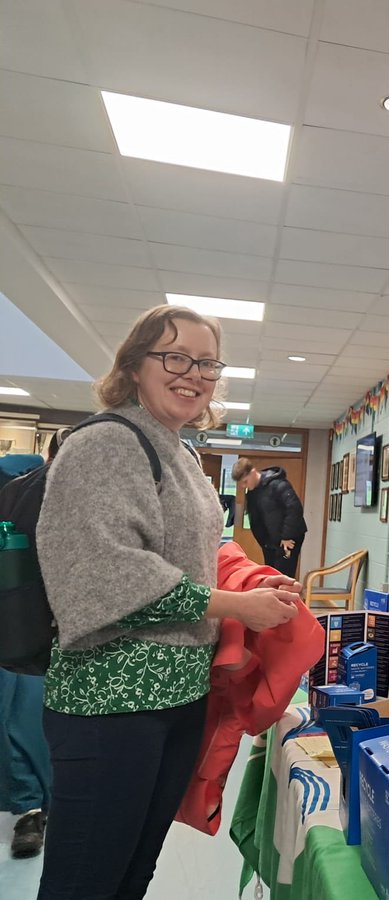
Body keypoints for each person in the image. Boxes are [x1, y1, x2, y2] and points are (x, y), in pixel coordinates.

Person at [35, 304, 300, 900]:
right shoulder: (106, 442)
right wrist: (234, 608)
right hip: (111, 706)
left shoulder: (180, 453)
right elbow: (105, 570)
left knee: (130, 875)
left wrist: (249, 582)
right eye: (175, 356)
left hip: (175, 700)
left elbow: (199, 552)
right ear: (134, 366)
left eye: (207, 363)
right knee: (84, 881)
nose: (194, 373)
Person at [0, 436, 67, 859]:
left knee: (28, 720)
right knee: (19, 720)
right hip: (22, 625)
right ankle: (30, 806)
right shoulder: (19, 485)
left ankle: (37, 804)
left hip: (57, 632)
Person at [232, 457, 307, 578]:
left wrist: (287, 536)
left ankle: (285, 597)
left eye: (245, 481)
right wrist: (264, 542)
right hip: (270, 542)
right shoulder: (252, 493)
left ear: (252, 472)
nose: (243, 486)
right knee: (271, 576)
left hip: (288, 539)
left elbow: (294, 508)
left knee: (283, 576)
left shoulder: (278, 484)